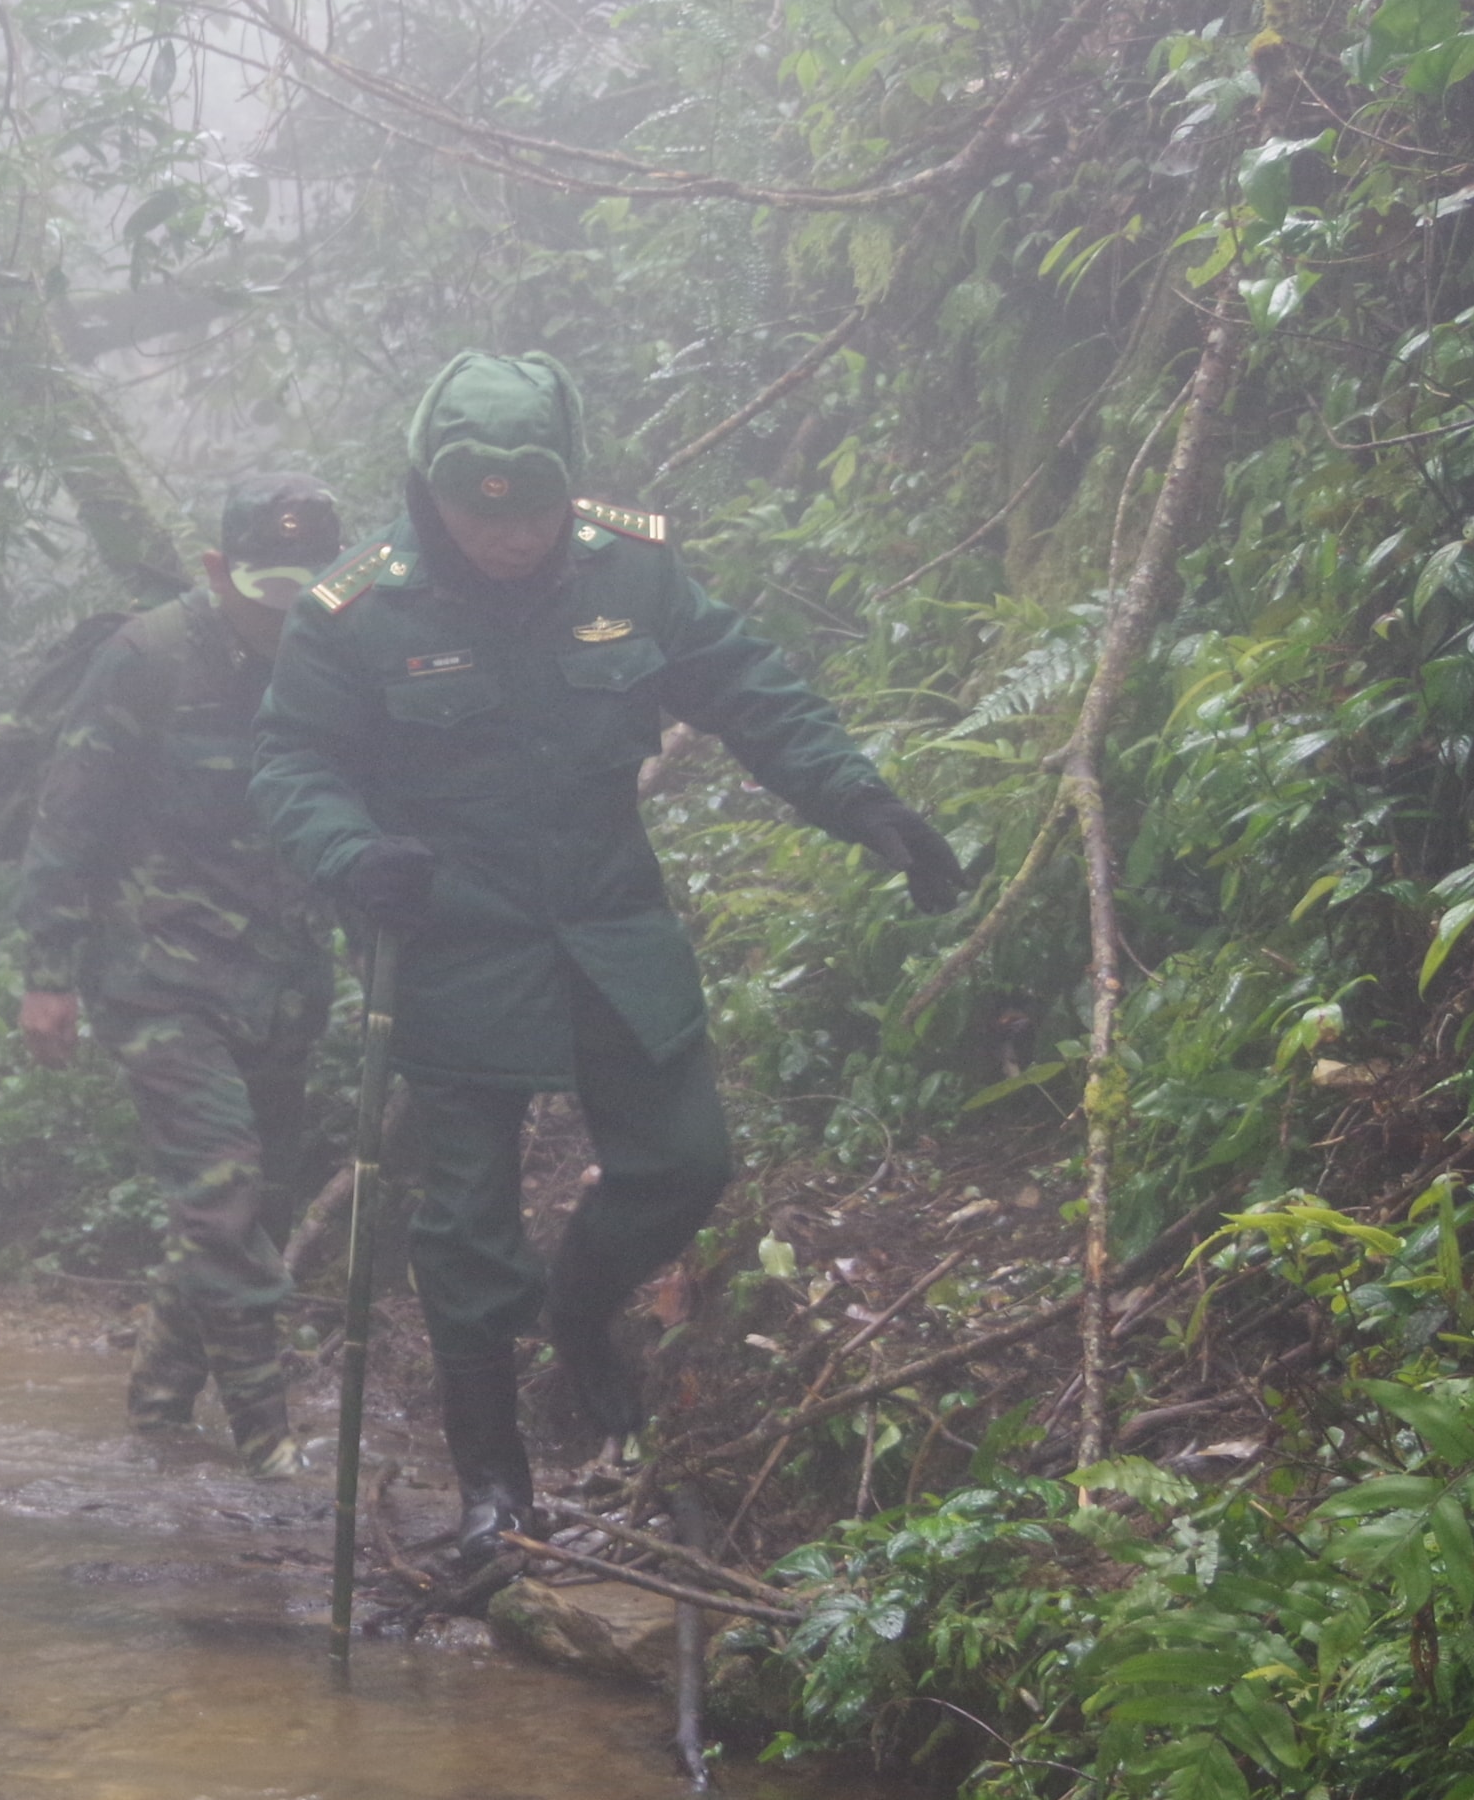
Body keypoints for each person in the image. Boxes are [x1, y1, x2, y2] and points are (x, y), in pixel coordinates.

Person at [250, 350, 967, 1554]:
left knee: (685, 1161)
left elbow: (751, 687)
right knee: (466, 1222)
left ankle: (581, 1315)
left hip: (607, 923)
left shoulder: (629, 567)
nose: (515, 540)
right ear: (434, 493)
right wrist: (353, 852)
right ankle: (494, 1489)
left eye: (536, 512)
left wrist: (864, 806)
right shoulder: (356, 612)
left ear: (568, 490)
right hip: (451, 942)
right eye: (487, 517)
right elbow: (292, 765)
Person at [12, 469, 353, 1469]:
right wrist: (49, 973)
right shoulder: (147, 657)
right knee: (227, 1198)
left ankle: (159, 1411)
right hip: (161, 976)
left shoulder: (341, 657)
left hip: (283, 982)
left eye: (304, 592)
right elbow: (67, 818)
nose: (281, 617)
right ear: (216, 570)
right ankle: (266, 1438)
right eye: (264, 593)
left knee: (254, 1207)